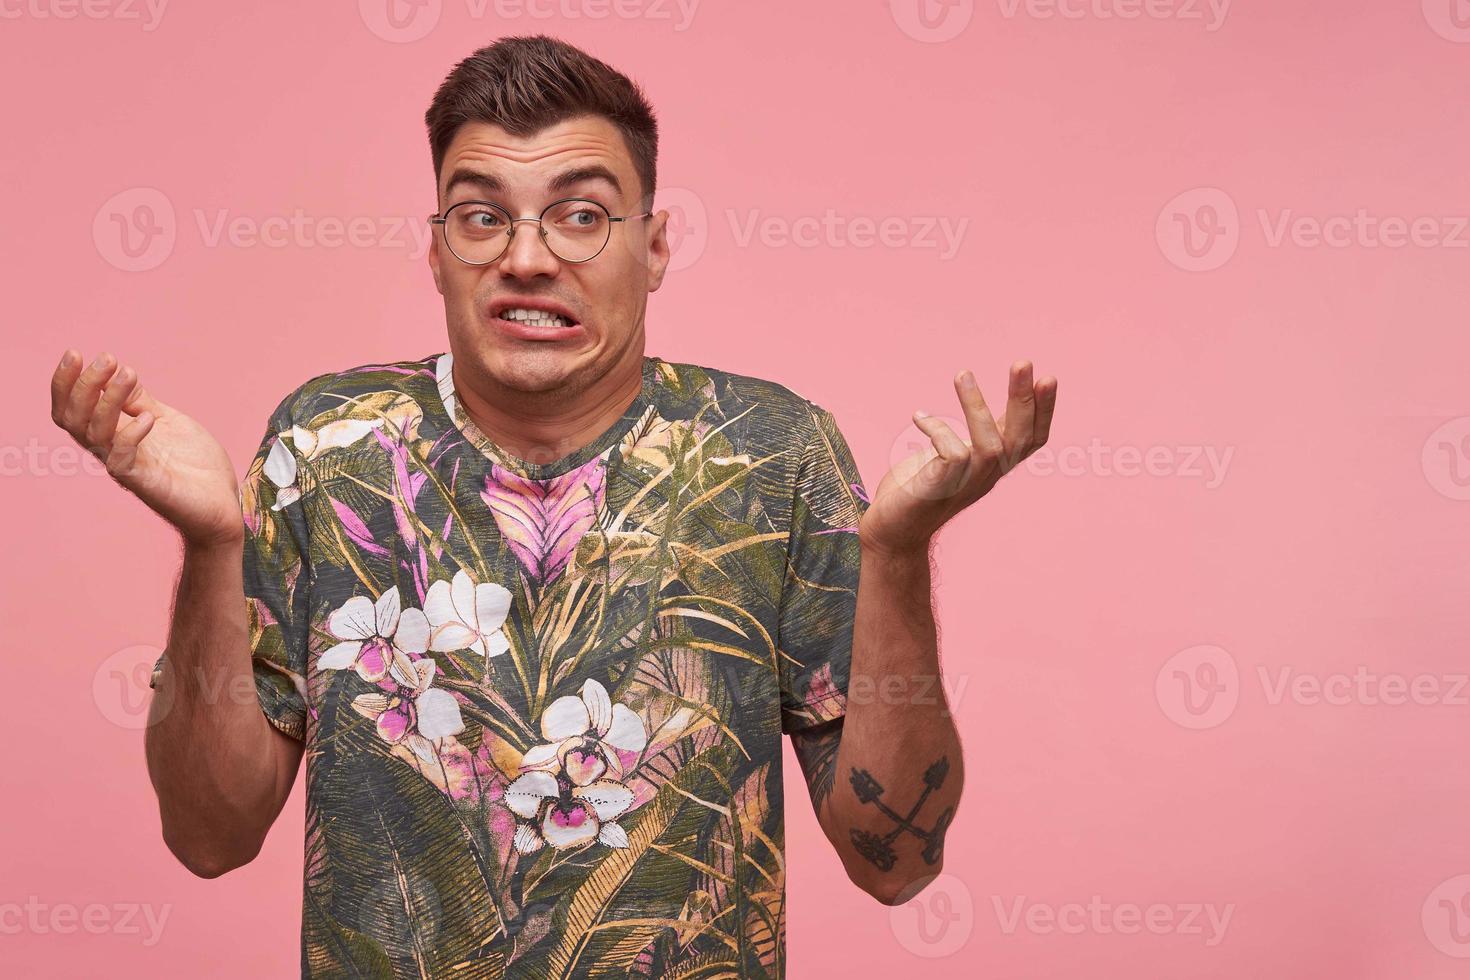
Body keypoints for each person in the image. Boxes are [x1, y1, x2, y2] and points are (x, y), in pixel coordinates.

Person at [48, 34, 1056, 979]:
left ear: (653, 247)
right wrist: (210, 542)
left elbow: (896, 860)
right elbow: (208, 835)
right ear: (437, 250)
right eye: (482, 214)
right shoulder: (326, 448)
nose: (527, 258)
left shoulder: (773, 454)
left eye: (581, 214)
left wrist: (900, 551)